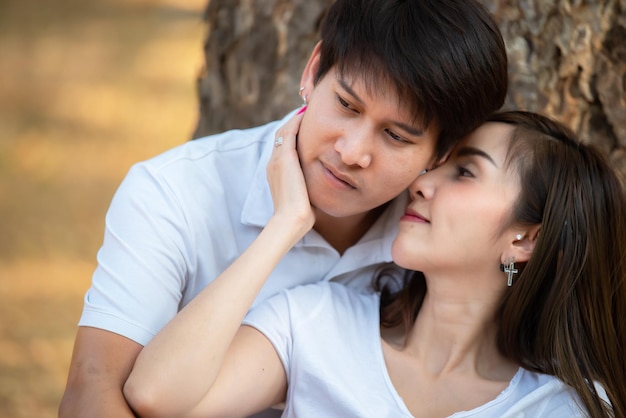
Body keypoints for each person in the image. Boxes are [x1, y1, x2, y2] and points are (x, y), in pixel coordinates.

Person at [59, 0, 508, 416]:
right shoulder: (175, 190)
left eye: (396, 137)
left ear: (441, 153)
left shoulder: (437, 236)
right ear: (313, 73)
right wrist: (285, 224)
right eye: (347, 105)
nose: (352, 152)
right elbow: (94, 387)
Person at [123, 110, 626, 418]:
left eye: (466, 172)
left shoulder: (561, 409)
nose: (422, 183)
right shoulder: (317, 325)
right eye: (439, 165)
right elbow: (157, 395)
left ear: (526, 239)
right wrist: (285, 226)